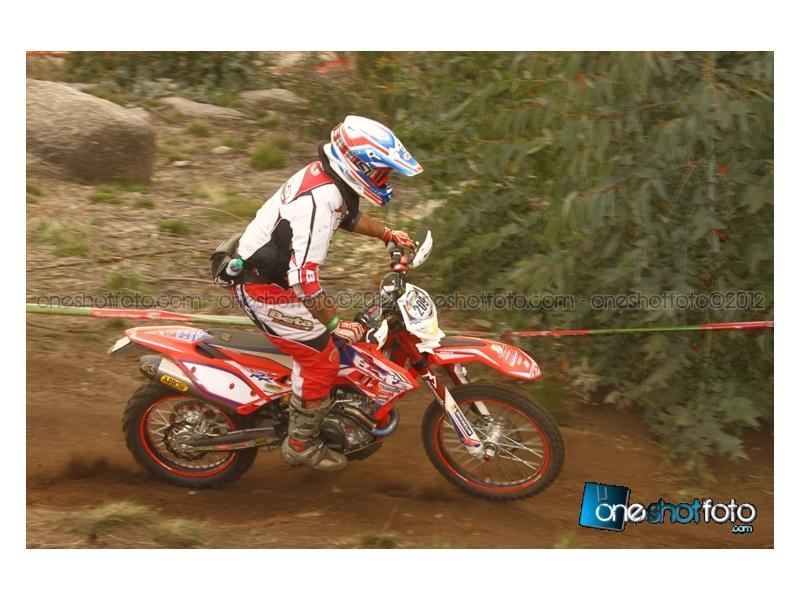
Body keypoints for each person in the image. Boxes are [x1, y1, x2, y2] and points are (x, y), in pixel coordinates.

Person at [219, 115, 423, 472]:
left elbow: (347, 217)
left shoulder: (330, 182)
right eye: (380, 173)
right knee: (322, 356)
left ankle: (323, 402)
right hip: (262, 288)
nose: (384, 181)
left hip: (276, 277)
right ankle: (301, 443)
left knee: (346, 336)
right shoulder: (318, 201)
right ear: (358, 165)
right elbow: (304, 279)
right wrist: (334, 324)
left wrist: (387, 234)